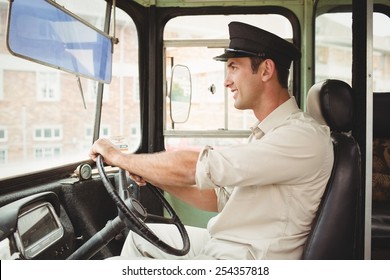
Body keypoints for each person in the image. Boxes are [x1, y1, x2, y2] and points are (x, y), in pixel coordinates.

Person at [89, 21, 334, 260]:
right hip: (226, 243)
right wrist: (154, 175)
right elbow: (220, 198)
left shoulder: (300, 137)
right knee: (139, 237)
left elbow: (194, 166)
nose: (227, 81)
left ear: (266, 70)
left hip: (247, 258)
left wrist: (120, 157)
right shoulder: (267, 133)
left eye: (234, 67)